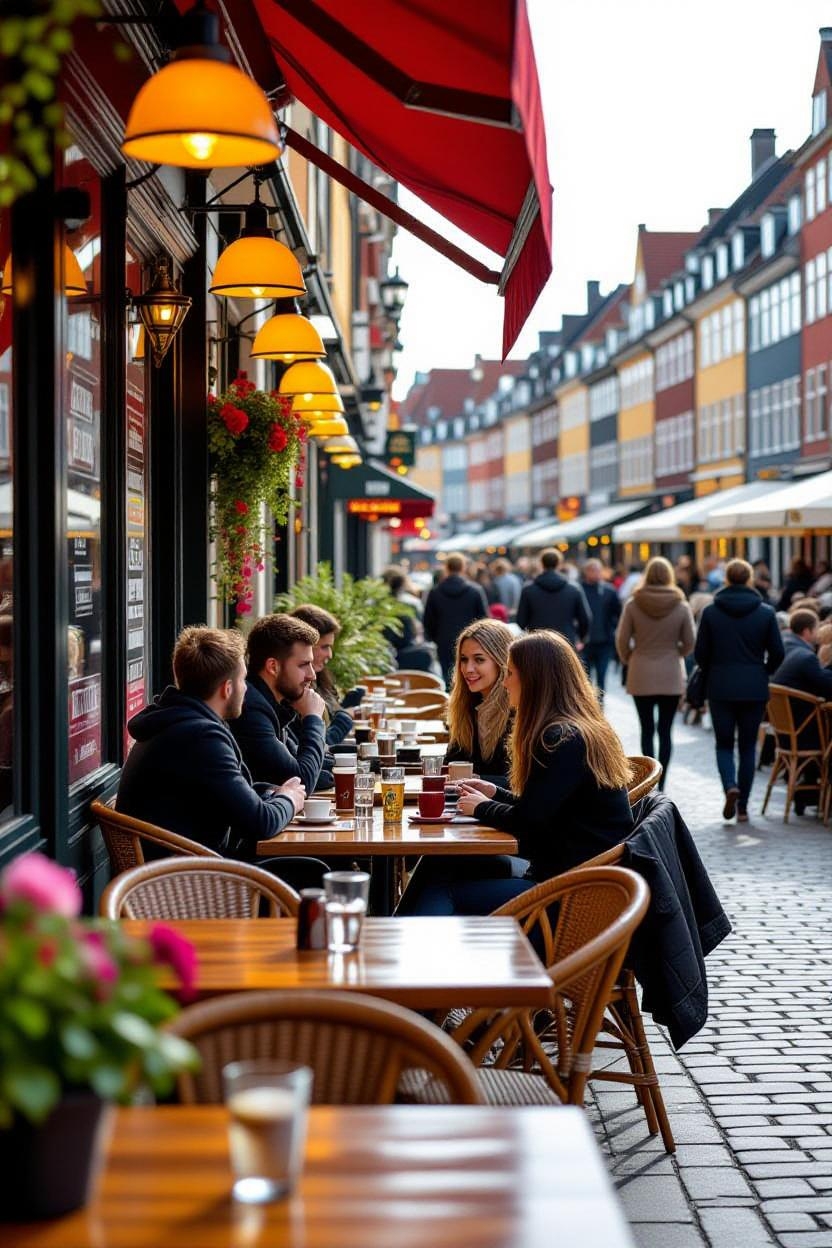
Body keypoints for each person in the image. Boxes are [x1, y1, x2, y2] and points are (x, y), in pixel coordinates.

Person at [397, 630, 633, 915]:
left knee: (444, 888)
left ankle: (399, 950)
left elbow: (528, 824)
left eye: (510, 673)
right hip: (578, 880)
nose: (505, 682)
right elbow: (541, 807)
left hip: (571, 896)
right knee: (441, 863)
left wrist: (483, 807)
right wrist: (495, 793)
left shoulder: (560, 738)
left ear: (534, 680)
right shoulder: (575, 728)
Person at [117, 626, 305, 859]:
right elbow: (261, 822)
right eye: (244, 680)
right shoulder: (200, 738)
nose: (246, 688)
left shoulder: (176, 722)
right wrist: (289, 799)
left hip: (182, 869)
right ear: (227, 689)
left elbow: (230, 793)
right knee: (312, 869)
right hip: (188, 881)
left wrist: (271, 791)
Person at [694, 559, 784, 823]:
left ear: (726, 579)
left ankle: (729, 786)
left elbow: (700, 654)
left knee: (723, 744)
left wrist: (715, 668)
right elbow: (778, 652)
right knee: (747, 747)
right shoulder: (766, 612)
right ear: (749, 579)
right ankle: (743, 806)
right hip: (754, 686)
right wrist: (763, 670)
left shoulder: (710, 612)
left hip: (720, 685)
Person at [615, 556, 695, 788]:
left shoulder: (633, 603)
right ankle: (663, 781)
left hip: (641, 671)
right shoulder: (681, 605)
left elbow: (621, 639)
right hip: (670, 672)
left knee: (647, 728)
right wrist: (676, 653)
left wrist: (630, 658)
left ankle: (649, 781)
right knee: (666, 730)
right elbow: (690, 642)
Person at [231, 613, 332, 794]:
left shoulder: (273, 702)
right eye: (303, 665)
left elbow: (300, 764)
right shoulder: (251, 708)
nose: (312, 675)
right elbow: (302, 780)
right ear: (273, 667)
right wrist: (313, 718)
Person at [444, 619, 514, 786]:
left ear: (502, 662)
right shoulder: (465, 708)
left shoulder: (519, 711)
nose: (468, 669)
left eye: (479, 659)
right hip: (465, 809)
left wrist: (480, 781)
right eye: (463, 659)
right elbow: (450, 766)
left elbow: (527, 785)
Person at [289, 604, 363, 746]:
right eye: (324, 647)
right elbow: (320, 746)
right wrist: (345, 719)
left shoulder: (320, 680)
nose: (329, 654)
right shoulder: (293, 690)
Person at [423, 552, 488, 687]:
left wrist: (434, 637)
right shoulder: (475, 591)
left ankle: (451, 705)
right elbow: (483, 619)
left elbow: (428, 620)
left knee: (448, 679)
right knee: (470, 678)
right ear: (463, 567)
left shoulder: (435, 592)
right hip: (471, 641)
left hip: (444, 640)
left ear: (446, 568)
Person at [516, 547, 591, 648]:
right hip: (565, 642)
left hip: (537, 643)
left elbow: (521, 620)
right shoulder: (573, 588)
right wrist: (582, 638)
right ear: (559, 564)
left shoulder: (528, 589)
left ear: (541, 564)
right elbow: (585, 618)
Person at [580, 559, 621, 694]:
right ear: (586, 572)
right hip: (585, 643)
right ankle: (588, 707)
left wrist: (613, 629)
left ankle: (600, 708)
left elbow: (618, 613)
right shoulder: (579, 589)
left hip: (604, 642)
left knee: (602, 678)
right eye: (593, 570)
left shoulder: (609, 591)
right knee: (585, 679)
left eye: (598, 570)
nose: (596, 573)